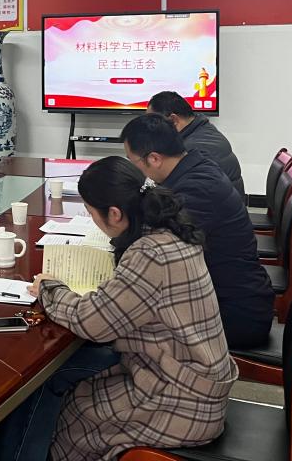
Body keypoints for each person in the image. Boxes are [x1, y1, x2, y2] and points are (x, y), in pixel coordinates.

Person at [22, 156, 237, 461]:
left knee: (74, 411)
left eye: (91, 214)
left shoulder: (150, 253)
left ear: (114, 213)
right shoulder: (169, 230)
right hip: (190, 380)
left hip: (182, 402)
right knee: (79, 383)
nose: (94, 222)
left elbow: (91, 322)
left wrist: (49, 288)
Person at [121, 113, 274, 348]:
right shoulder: (195, 165)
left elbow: (156, 250)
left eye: (134, 162)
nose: (136, 170)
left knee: (124, 324)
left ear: (154, 158)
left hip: (237, 315)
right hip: (232, 297)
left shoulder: (195, 190)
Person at [148, 90, 245, 198]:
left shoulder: (192, 150)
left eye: (153, 123)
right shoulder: (204, 130)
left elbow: (173, 194)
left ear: (173, 120)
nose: (151, 130)